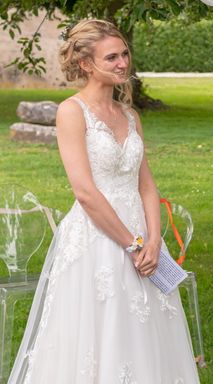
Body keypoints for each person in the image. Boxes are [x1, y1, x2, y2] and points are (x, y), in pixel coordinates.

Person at [9, 19, 200, 383]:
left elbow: (146, 185)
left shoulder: (130, 115)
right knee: (101, 331)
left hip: (144, 239)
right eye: (111, 57)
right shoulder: (71, 112)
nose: (122, 63)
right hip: (98, 239)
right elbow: (84, 191)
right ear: (86, 64)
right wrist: (131, 244)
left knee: (146, 329)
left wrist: (154, 241)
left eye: (124, 54)